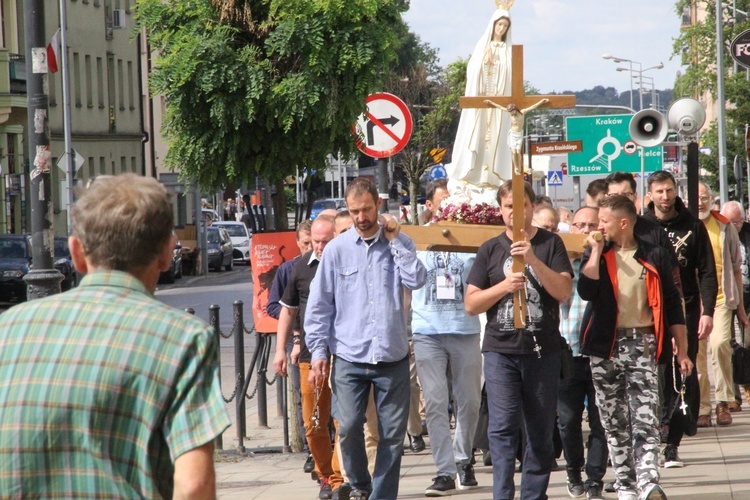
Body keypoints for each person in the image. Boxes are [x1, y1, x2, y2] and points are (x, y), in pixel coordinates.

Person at [0, 174, 230, 497]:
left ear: (77, 253)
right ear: (166, 253)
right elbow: (194, 484)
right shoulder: (185, 339)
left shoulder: (8, 330)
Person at [305, 177, 427, 500]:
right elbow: (319, 307)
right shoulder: (335, 251)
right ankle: (360, 483)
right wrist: (318, 352)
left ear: (378, 206)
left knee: (391, 436)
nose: (361, 217)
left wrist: (396, 240)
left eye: (367, 209)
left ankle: (381, 496)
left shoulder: (399, 243)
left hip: (392, 356)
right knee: (347, 425)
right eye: (354, 211)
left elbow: (417, 279)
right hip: (348, 355)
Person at [465, 180, 573, 499]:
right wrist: (504, 287)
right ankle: (502, 494)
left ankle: (533, 494)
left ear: (531, 207)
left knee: (539, 432)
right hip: (501, 351)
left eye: (520, 206)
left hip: (542, 350)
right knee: (502, 428)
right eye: (508, 206)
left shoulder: (551, 244)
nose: (514, 212)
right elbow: (471, 304)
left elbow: (564, 291)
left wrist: (533, 260)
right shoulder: (490, 249)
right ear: (501, 211)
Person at [579, 195, 692, 500]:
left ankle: (648, 482)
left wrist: (682, 351)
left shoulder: (654, 254)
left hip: (643, 342)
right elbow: (585, 290)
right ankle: (626, 485)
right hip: (605, 347)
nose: (598, 226)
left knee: (645, 417)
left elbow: (672, 305)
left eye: (604, 221)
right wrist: (595, 251)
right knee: (613, 421)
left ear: (623, 223)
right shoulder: (597, 254)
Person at [410, 179, 482, 496]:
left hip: (464, 329)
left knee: (469, 401)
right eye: (444, 201)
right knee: (437, 404)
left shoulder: (472, 239)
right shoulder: (415, 239)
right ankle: (444, 471)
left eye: (455, 201)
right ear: (430, 205)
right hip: (427, 331)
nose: (450, 206)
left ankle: (463, 457)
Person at [642, 170, 717, 468]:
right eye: (659, 191)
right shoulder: (641, 225)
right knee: (653, 374)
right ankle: (653, 434)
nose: (665, 196)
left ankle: (672, 443)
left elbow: (707, 272)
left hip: (685, 307)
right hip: (648, 309)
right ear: (650, 194)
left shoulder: (693, 225)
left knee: (682, 372)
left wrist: (707, 311)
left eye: (669, 190)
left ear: (676, 191)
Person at [273, 216, 344, 500]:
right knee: (313, 424)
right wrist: (280, 349)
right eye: (315, 241)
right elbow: (288, 310)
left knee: (343, 423)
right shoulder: (301, 267)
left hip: (342, 354)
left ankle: (339, 479)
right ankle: (325, 474)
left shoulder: (344, 263)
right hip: (308, 357)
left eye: (325, 241)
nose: (319, 247)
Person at [558, 206, 607, 500]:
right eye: (580, 225)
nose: (586, 230)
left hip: (598, 352)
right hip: (566, 352)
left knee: (601, 421)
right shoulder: (559, 260)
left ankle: (594, 480)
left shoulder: (604, 258)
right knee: (568, 420)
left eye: (592, 224)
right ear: (571, 228)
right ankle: (573, 470)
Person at [445, 6, 513, 202]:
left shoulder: (508, 50)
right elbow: (473, 71)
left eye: (505, 25)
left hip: (499, 107)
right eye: (499, 24)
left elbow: (510, 76)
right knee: (477, 138)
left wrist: (499, 65)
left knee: (495, 141)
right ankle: (473, 177)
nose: (501, 28)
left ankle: (492, 178)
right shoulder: (482, 47)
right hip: (481, 104)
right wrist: (485, 62)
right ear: (492, 25)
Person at [696, 182, 747, 426]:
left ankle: (724, 402)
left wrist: (741, 310)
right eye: (695, 197)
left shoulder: (725, 227)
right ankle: (702, 407)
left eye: (704, 197)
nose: (700, 202)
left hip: (721, 298)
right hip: (692, 300)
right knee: (696, 353)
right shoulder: (685, 226)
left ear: (712, 200)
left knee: (719, 344)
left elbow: (737, 268)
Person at [266, 219, 314, 474]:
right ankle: (311, 449)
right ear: (297, 243)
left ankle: (326, 444)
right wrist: (295, 330)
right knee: (302, 398)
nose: (309, 247)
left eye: (314, 242)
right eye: (305, 243)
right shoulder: (288, 270)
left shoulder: (325, 265)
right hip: (300, 343)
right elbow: (275, 306)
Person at [720, 200, 750, 407]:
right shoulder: (720, 233)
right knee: (727, 344)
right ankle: (733, 397)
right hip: (726, 296)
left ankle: (747, 385)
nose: (736, 226)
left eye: (739, 222)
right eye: (732, 222)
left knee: (748, 343)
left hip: (748, 295)